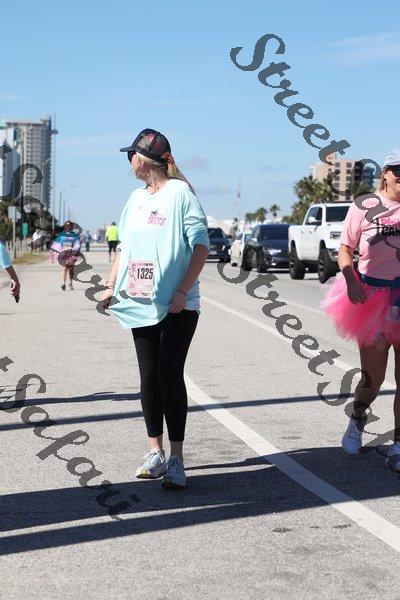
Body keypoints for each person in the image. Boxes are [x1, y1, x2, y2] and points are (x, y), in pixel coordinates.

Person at [101, 128, 209, 489]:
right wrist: (110, 286)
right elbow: (124, 248)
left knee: (169, 373)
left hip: (177, 304)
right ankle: (155, 452)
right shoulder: (135, 199)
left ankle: (177, 459)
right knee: (148, 376)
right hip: (139, 300)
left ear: (144, 159)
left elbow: (201, 247)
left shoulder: (181, 194)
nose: (128, 161)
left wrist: (182, 291)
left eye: (130, 155)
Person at [323, 149, 400, 471]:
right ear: (386, 173)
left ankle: (398, 445)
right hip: (372, 299)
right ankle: (357, 421)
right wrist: (351, 280)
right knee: (373, 379)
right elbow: (345, 250)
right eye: (398, 170)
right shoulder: (364, 206)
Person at [50, 221, 81, 291]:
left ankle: (70, 283)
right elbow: (56, 244)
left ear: (72, 227)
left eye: (69, 226)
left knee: (70, 269)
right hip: (63, 254)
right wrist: (53, 251)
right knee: (64, 268)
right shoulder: (61, 235)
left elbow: (77, 245)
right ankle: (63, 284)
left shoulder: (75, 236)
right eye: (67, 226)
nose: (68, 227)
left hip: (72, 254)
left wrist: (76, 252)